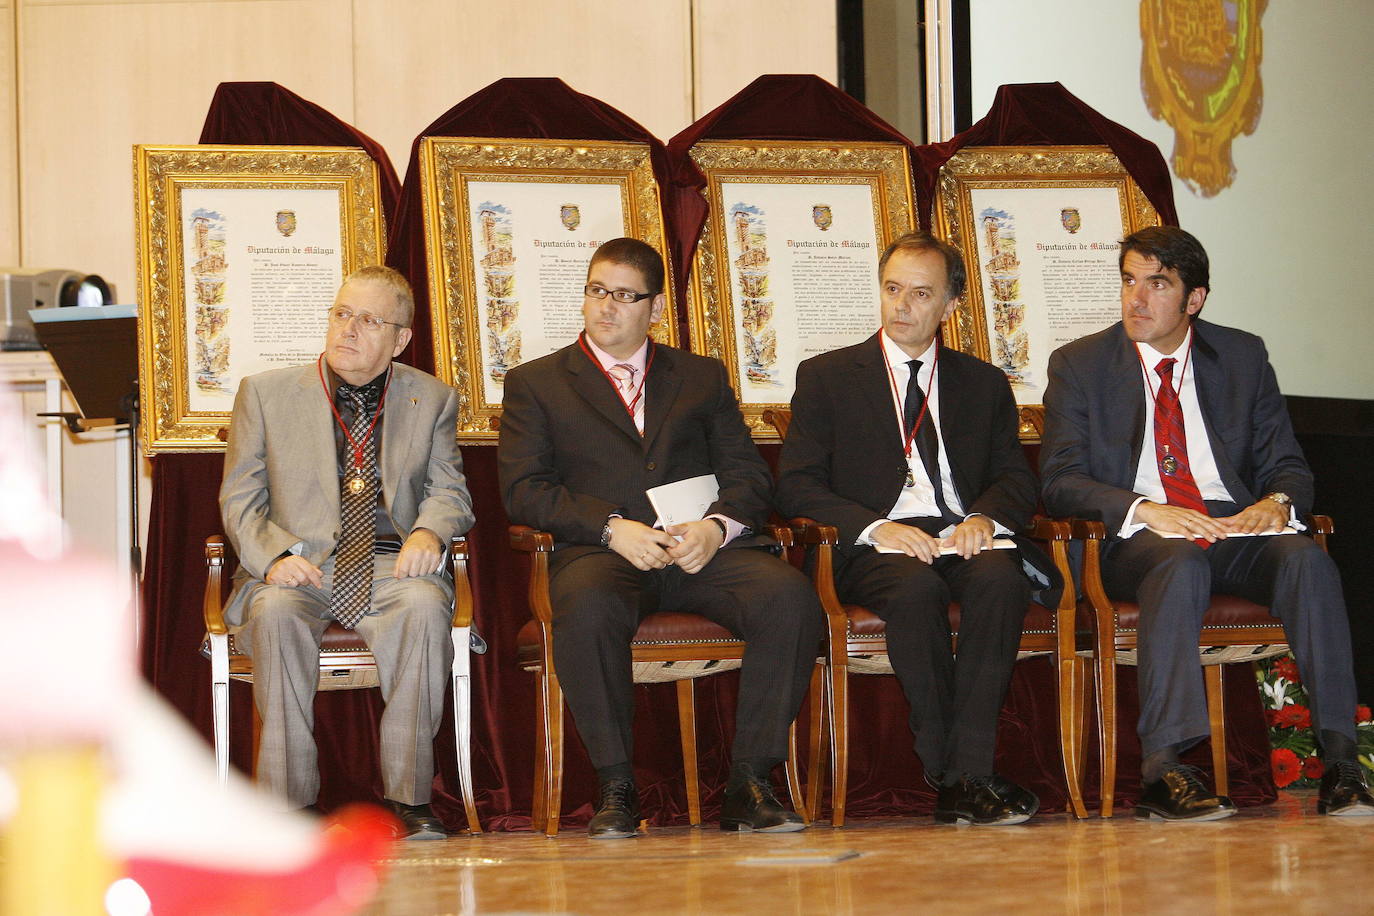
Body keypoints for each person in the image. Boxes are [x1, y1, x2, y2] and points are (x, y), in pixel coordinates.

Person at [1041, 226, 1372, 819]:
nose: (1135, 299)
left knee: (1306, 561)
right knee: (1179, 558)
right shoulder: (1080, 364)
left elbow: (1289, 465)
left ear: (1194, 299)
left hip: (1228, 526)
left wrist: (1275, 501)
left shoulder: (1241, 356)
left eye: (1157, 284)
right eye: (1129, 281)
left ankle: (1343, 764)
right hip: (1137, 540)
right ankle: (1165, 769)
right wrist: (1146, 510)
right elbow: (1060, 478)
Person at [498, 238, 822, 838]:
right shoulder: (537, 383)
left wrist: (716, 526)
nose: (606, 307)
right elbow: (526, 491)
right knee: (588, 608)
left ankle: (751, 783)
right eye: (598, 291)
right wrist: (609, 527)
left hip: (697, 550)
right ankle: (616, 788)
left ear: (655, 306)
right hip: (603, 552)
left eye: (624, 295)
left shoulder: (699, 377)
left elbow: (748, 475)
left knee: (789, 597)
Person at [775, 230, 1059, 826]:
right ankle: (957, 772)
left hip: (961, 532)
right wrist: (876, 527)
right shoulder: (827, 377)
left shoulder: (982, 382)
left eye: (920, 294)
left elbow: (1015, 477)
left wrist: (986, 515)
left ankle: (966, 773)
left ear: (949, 307)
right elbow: (797, 484)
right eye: (892, 289)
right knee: (915, 590)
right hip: (877, 542)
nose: (901, 305)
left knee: (1002, 583)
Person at [220, 265, 474, 839]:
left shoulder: (431, 398)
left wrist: (430, 533)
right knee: (276, 613)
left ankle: (408, 801)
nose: (348, 330)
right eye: (341, 314)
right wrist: (274, 557)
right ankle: (289, 807)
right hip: (299, 563)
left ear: (401, 339)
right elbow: (239, 499)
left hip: (390, 562)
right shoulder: (264, 393)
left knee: (423, 606)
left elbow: (449, 491)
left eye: (368, 320)